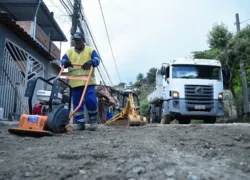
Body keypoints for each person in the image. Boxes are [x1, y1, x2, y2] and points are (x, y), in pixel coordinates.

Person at [61, 32, 100, 131]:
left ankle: (93, 120)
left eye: (79, 40)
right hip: (75, 83)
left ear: (83, 40)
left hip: (88, 82)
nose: (77, 42)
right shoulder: (69, 51)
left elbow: (97, 59)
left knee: (90, 100)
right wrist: (65, 63)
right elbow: (62, 60)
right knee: (77, 103)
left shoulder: (90, 50)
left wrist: (91, 62)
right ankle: (80, 123)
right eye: (75, 40)